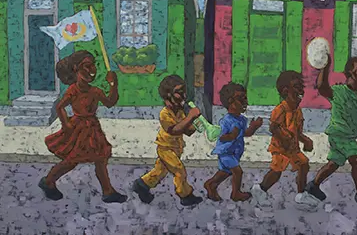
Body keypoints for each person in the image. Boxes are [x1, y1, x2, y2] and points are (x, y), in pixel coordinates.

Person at [39, 50, 127, 203]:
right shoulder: (73, 90)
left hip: (93, 128)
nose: (92, 69)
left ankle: (108, 191)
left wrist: (113, 85)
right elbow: (60, 107)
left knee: (101, 159)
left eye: (93, 65)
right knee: (71, 161)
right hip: (78, 128)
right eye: (87, 66)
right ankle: (48, 181)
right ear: (76, 69)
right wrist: (66, 125)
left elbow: (110, 102)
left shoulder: (95, 91)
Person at [306, 55, 357, 207]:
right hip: (339, 135)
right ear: (350, 73)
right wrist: (325, 66)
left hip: (347, 136)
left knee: (333, 164)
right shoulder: (338, 91)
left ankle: (314, 185)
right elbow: (322, 87)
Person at [251, 71, 319, 210]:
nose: (301, 91)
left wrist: (306, 140)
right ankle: (260, 189)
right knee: (276, 172)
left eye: (302, 87)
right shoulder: (280, 109)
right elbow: (273, 127)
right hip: (280, 148)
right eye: (297, 87)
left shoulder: (298, 111)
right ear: (285, 91)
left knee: (303, 164)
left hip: (292, 148)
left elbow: (298, 132)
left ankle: (301, 195)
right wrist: (284, 137)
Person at [132, 75, 203, 207]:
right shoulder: (164, 113)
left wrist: (196, 122)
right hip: (165, 148)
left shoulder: (180, 112)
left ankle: (142, 184)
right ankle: (185, 195)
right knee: (179, 170)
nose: (183, 95)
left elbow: (187, 131)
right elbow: (174, 130)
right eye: (179, 92)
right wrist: (190, 117)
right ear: (168, 95)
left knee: (160, 171)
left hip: (176, 147)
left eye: (184, 91)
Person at [204, 82, 263, 202]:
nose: (245, 102)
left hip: (235, 153)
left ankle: (211, 184)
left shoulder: (242, 119)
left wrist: (254, 127)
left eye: (245, 98)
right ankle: (235, 194)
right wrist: (232, 135)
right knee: (237, 171)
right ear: (231, 102)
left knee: (225, 173)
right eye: (241, 99)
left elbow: (245, 133)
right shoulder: (226, 121)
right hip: (226, 153)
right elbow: (222, 137)